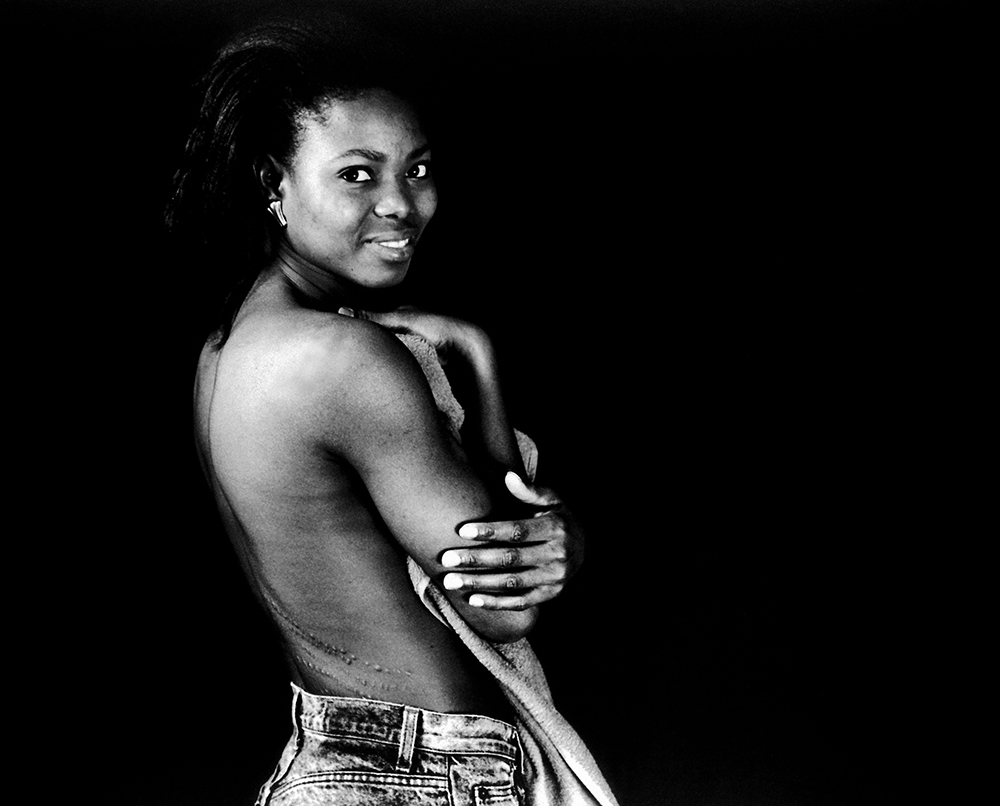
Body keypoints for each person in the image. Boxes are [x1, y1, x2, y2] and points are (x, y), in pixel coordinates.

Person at [168, 14, 617, 806]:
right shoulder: (348, 359)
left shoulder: (227, 348)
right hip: (421, 776)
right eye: (357, 174)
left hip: (328, 763)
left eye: (418, 169)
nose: (401, 204)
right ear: (273, 183)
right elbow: (503, 607)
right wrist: (479, 359)